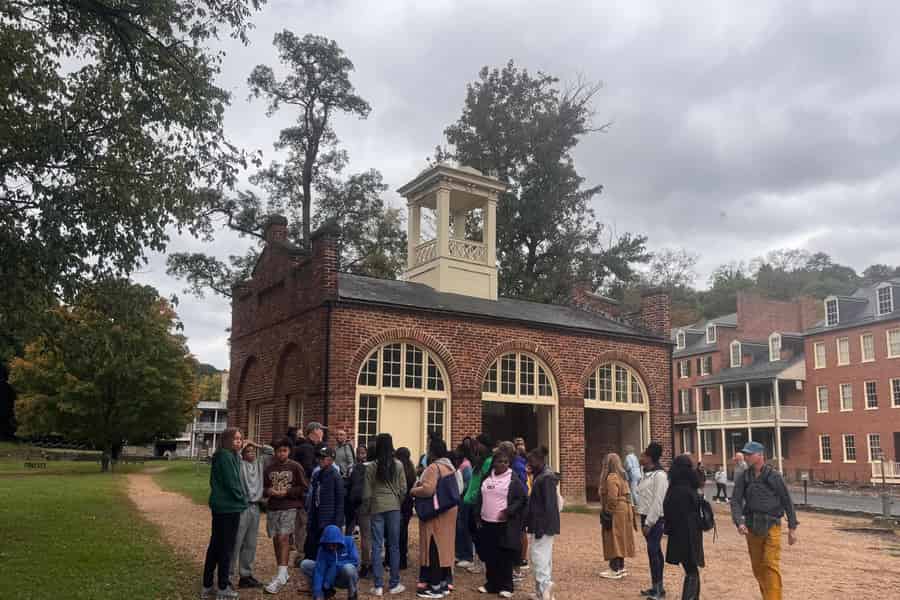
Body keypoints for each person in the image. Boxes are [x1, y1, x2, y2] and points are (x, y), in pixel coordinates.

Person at [729, 441, 798, 600]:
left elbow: (787, 500)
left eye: (749, 454)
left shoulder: (774, 476)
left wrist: (792, 528)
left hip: (772, 524)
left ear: (760, 455)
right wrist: (739, 521)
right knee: (758, 568)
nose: (746, 457)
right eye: (745, 454)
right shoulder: (744, 477)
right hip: (752, 526)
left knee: (770, 565)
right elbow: (736, 501)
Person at [410, 436, 459, 598]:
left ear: (433, 451)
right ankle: (444, 584)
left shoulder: (433, 467)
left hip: (435, 515)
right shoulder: (449, 466)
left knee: (434, 548)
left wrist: (414, 490)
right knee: (444, 548)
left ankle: (435, 587)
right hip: (448, 512)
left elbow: (428, 490)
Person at [475, 448, 527, 598]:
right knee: (489, 554)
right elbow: (480, 497)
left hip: (504, 524)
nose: (503, 464)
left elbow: (522, 499)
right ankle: (491, 584)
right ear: (494, 463)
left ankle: (506, 586)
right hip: (487, 522)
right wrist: (477, 515)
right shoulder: (487, 477)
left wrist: (509, 511)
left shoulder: (513, 478)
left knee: (504, 556)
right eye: (500, 461)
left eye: (506, 462)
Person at [201, 427, 247, 599]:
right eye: (235, 439)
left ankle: (207, 585)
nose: (239, 442)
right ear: (227, 440)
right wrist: (243, 500)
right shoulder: (225, 456)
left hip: (224, 506)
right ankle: (222, 587)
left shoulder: (231, 455)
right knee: (225, 547)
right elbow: (232, 482)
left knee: (216, 545)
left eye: (240, 439)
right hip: (228, 507)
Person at [363, 433, 407, 596]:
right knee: (394, 546)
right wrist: (398, 503)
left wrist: (368, 508)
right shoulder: (398, 465)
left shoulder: (371, 466)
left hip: (376, 507)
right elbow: (403, 489)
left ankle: (379, 585)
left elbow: (366, 493)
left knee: (376, 545)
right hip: (394, 506)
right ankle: (394, 583)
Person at [263, 437, 308, 594]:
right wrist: (268, 491)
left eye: (284, 450)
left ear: (289, 451)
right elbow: (263, 487)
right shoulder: (269, 468)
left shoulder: (295, 467)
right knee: (276, 538)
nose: (281, 454)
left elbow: (303, 487)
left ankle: (281, 575)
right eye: (278, 451)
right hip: (274, 507)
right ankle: (282, 571)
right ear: (274, 452)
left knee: (284, 537)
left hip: (290, 507)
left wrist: (288, 492)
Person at [232, 440, 273, 589]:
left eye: (253, 452)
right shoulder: (239, 465)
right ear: (242, 454)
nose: (252, 454)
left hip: (255, 507)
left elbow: (270, 451)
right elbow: (234, 454)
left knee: (250, 543)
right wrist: (243, 445)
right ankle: (229, 575)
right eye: (248, 451)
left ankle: (246, 575)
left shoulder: (259, 464)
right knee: (236, 542)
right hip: (242, 507)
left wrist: (256, 445)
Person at [663, 454, 705, 600]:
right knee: (692, 569)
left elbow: (667, 510)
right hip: (692, 531)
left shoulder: (674, 489)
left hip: (678, 532)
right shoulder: (692, 488)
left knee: (690, 569)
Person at [525, 446, 559, 600]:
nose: (529, 464)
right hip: (540, 524)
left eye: (531, 461)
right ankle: (541, 591)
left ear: (539, 460)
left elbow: (550, 506)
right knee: (543, 557)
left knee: (538, 556)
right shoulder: (541, 475)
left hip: (543, 526)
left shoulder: (546, 478)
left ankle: (545, 587)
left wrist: (542, 527)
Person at [635, 442, 668, 599]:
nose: (640, 458)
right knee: (654, 553)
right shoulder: (646, 474)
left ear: (649, 458)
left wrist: (649, 522)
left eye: (642, 456)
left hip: (654, 518)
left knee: (653, 552)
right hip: (644, 515)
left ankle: (659, 590)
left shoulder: (660, 476)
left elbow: (658, 500)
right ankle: (656, 586)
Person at [598, 452, 636, 579]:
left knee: (613, 537)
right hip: (625, 509)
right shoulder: (623, 476)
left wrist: (607, 512)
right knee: (622, 538)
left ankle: (614, 569)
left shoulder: (611, 477)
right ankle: (621, 567)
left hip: (616, 511)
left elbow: (612, 498)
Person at [294, 422, 327, 559]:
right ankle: (302, 553)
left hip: (306, 490)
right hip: (305, 490)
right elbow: (309, 469)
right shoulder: (307, 448)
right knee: (304, 522)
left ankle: (305, 552)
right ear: (314, 431)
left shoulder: (310, 447)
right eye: (321, 430)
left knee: (305, 521)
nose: (323, 433)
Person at [306, 446, 346, 560]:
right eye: (319, 457)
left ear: (331, 459)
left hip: (329, 519)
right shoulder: (317, 475)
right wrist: (310, 518)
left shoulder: (335, 476)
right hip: (316, 518)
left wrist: (337, 524)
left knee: (328, 551)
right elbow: (313, 498)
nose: (320, 460)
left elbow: (340, 502)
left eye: (324, 458)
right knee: (313, 550)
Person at [300, 524, 360, 600]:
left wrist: (335, 566)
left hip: (343, 578)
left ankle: (352, 594)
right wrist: (318, 592)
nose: (331, 547)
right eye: (329, 545)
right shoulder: (322, 549)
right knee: (305, 564)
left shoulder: (349, 541)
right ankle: (322, 592)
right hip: (328, 577)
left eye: (334, 544)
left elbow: (355, 561)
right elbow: (319, 571)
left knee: (349, 568)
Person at [393, 447, 417, 571]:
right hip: (408, 503)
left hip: (399, 503)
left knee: (396, 532)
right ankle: (403, 557)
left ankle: (396, 559)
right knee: (404, 532)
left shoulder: (398, 470)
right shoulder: (411, 469)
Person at [454, 438, 476, 569]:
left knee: (464, 528)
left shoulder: (466, 466)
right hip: (459, 500)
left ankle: (467, 555)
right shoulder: (462, 465)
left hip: (464, 500)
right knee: (459, 527)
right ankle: (459, 552)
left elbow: (468, 484)